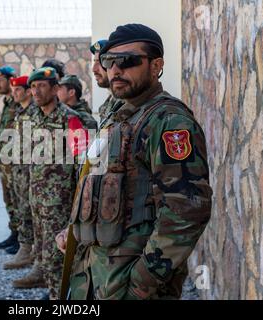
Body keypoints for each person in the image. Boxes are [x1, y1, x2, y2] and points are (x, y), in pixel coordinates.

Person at [56, 23, 213, 300]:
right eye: (109, 61)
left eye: (128, 61)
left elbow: (187, 211)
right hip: (93, 278)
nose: (115, 69)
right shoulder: (118, 115)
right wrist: (76, 231)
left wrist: (141, 283)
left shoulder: (168, 122)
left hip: (129, 286)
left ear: (156, 66)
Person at [12, 67, 87, 299]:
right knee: (43, 253)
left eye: (42, 86)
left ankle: (61, 298)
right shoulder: (31, 117)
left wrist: (78, 203)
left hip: (60, 202)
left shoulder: (70, 119)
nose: (36, 91)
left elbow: (82, 163)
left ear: (55, 89)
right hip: (36, 198)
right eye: (33, 86)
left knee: (58, 256)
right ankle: (55, 293)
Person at [3, 75, 36, 270]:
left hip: (30, 171)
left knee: (29, 211)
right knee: (22, 209)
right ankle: (26, 249)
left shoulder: (34, 111)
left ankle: (27, 251)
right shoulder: (19, 111)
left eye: (18, 90)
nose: (14, 93)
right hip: (19, 170)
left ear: (27, 91)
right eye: (13, 90)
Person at [0, 65, 20, 255]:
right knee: (8, 198)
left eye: (0, 80)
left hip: (16, 161)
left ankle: (22, 239)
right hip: (6, 161)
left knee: (18, 199)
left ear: (11, 80)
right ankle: (14, 233)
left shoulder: (18, 102)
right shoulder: (8, 102)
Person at [90, 39, 123, 125]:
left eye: (100, 62)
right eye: (94, 62)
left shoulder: (128, 104)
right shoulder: (107, 105)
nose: (94, 69)